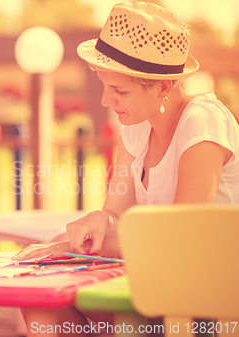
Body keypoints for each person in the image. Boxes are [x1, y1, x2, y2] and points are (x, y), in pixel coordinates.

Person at [13, 2, 239, 335]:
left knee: (55, 284)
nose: (106, 100)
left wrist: (70, 248)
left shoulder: (203, 121)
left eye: (119, 90)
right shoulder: (137, 126)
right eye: (105, 86)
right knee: (40, 297)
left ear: (162, 87)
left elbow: (184, 242)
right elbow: (116, 215)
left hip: (205, 307)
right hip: (157, 288)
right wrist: (99, 221)